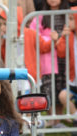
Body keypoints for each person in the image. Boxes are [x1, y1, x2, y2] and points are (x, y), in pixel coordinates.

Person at [29, 0, 70, 128]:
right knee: (48, 88)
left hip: (65, 58)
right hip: (48, 59)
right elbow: (34, 35)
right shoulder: (40, 16)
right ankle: (52, 119)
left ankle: (58, 118)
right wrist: (51, 40)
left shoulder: (68, 14)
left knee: (61, 86)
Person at [56, 7, 77, 135]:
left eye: (71, 19)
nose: (67, 22)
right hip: (74, 82)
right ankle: (76, 118)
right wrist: (63, 37)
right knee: (63, 96)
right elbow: (61, 52)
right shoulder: (69, 36)